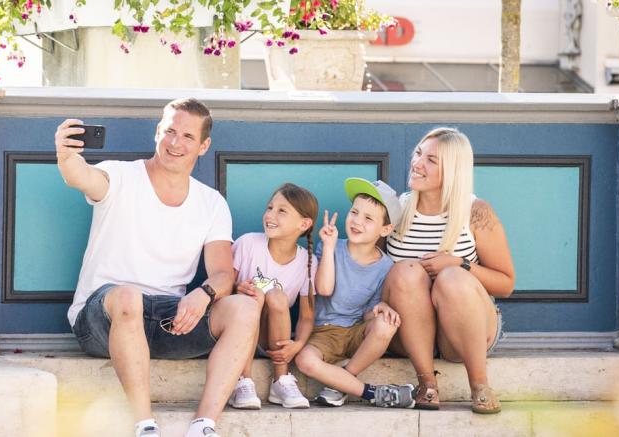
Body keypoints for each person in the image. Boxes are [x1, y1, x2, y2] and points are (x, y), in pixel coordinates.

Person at [56, 98, 260, 437]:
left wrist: (204, 293)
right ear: (157, 133)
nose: (176, 143)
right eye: (169, 131)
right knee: (127, 297)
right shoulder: (121, 175)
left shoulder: (211, 203)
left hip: (169, 320)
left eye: (188, 136)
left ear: (204, 145)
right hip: (103, 318)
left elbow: (225, 274)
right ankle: (145, 425)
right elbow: (82, 177)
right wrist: (66, 156)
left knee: (244, 308)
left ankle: (204, 425)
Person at [382, 127, 516, 414]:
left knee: (453, 277)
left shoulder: (476, 211)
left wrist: (460, 264)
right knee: (406, 271)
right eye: (418, 154)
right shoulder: (395, 210)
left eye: (431, 160)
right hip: (409, 335)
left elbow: (505, 283)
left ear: (453, 170)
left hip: (463, 335)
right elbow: (371, 267)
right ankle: (427, 384)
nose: (417, 164)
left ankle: (479, 385)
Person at [293, 178, 416, 409]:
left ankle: (341, 384)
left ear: (386, 229)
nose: (357, 221)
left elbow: (369, 314)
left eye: (368, 218)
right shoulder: (331, 247)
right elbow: (324, 289)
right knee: (304, 361)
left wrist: (383, 309)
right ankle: (372, 393)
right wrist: (328, 247)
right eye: (354, 212)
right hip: (324, 333)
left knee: (386, 324)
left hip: (355, 332)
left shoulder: (385, 267)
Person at [226, 183, 318, 410]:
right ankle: (243, 380)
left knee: (276, 296)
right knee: (255, 295)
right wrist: (237, 289)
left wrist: (298, 344)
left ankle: (281, 380)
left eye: (282, 211)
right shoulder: (247, 244)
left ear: (304, 224)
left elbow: (307, 316)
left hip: (272, 338)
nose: (270, 215)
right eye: (269, 208)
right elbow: (223, 288)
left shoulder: (308, 262)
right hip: (237, 332)